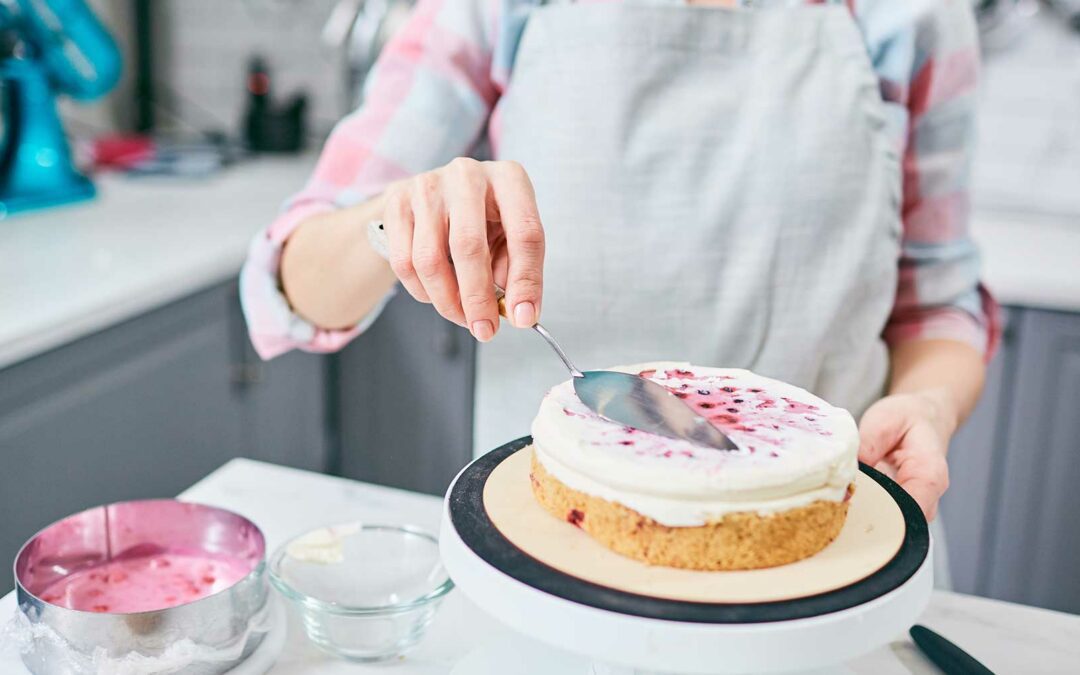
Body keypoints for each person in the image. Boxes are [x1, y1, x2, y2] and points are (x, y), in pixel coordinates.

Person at [240, 0, 1000, 532]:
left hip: (823, 549)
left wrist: (929, 407)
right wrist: (395, 216)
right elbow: (287, 285)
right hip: (553, 544)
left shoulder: (908, 15)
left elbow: (939, 302)